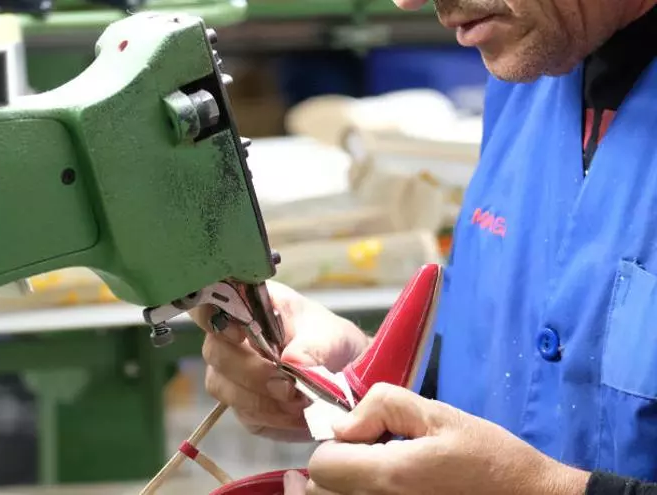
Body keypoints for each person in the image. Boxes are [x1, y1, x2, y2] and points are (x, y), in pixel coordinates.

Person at [190, 0, 657, 493]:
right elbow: (514, 372)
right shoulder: (530, 66)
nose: (408, 1)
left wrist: (535, 488)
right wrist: (368, 379)